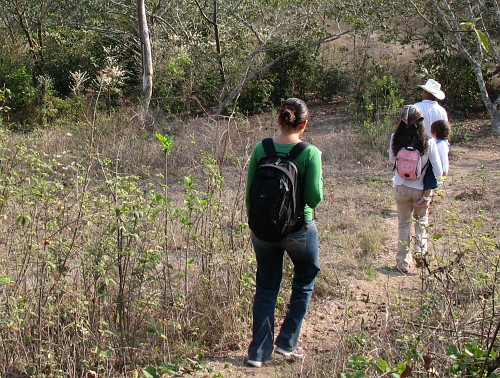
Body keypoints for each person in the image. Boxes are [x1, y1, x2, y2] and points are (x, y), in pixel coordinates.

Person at [245, 98, 323, 367]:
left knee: (266, 287)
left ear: (278, 119)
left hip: (263, 231)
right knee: (304, 280)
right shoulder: (309, 153)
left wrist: (254, 226)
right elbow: (314, 198)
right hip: (299, 229)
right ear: (304, 124)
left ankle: (258, 352)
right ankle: (287, 343)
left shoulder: (261, 148)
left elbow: (249, 194)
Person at [389, 105, 443, 273]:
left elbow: (392, 161)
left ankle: (402, 263)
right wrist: (429, 194)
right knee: (421, 222)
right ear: (421, 121)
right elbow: (438, 171)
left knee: (403, 224)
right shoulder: (428, 141)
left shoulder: (395, 138)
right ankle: (420, 253)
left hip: (400, 187)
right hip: (420, 189)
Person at [414, 79, 449, 208]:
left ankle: (418, 198)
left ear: (427, 93)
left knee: (417, 172)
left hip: (418, 145)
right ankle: (427, 197)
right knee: (432, 173)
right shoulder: (441, 111)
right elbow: (444, 130)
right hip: (435, 146)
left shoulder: (416, 107)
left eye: (423, 91)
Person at [419, 120, 451, 203]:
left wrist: (444, 171)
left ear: (435, 132)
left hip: (436, 168)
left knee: (429, 183)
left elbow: (444, 159)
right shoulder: (436, 141)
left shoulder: (442, 144)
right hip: (432, 166)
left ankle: (426, 199)